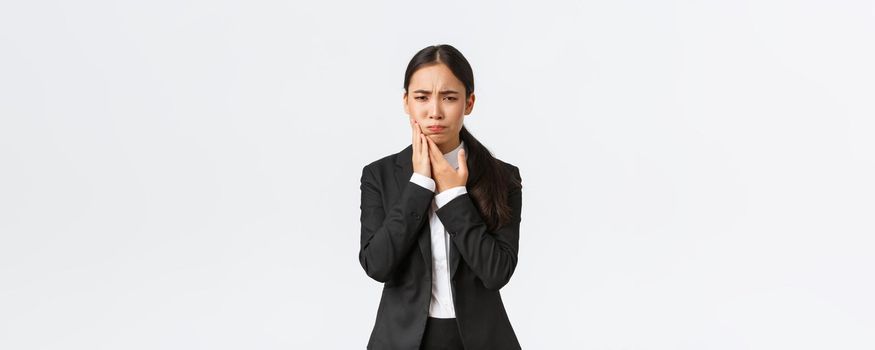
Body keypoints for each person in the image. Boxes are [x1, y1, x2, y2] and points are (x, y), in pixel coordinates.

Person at [359, 44, 523, 350]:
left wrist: (454, 196)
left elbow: (496, 273)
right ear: (406, 102)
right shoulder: (378, 176)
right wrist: (419, 184)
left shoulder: (503, 177)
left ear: (469, 102)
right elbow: (377, 265)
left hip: (482, 340)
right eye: (422, 97)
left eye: (449, 98)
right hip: (401, 340)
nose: (435, 111)